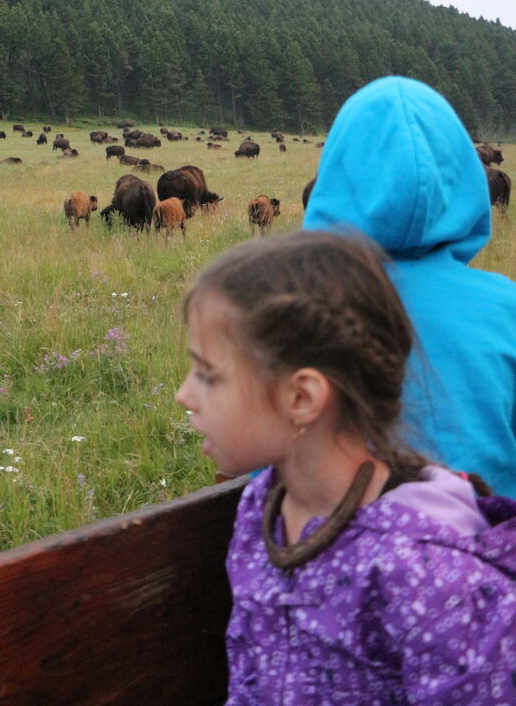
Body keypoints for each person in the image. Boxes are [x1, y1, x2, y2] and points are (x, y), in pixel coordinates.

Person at [176, 230, 516, 705]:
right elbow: (247, 677)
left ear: (301, 397)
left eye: (207, 374)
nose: (183, 395)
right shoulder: (262, 508)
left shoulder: (428, 571)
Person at [303, 75, 516, 497]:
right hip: (488, 553)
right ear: (466, 183)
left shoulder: (295, 313)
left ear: (333, 182)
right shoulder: (508, 308)